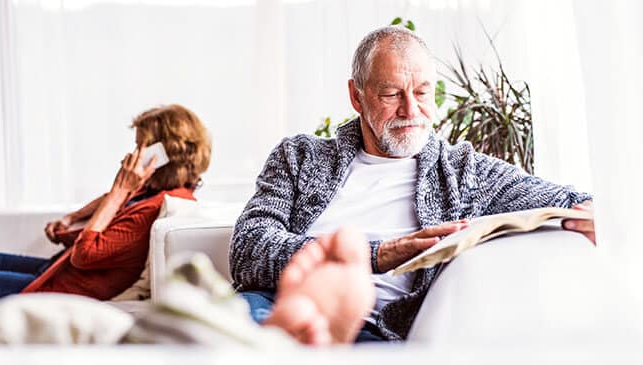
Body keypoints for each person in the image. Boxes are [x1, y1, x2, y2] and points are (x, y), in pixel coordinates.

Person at [230, 26, 596, 343]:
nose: (410, 110)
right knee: (238, 323)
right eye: (391, 94)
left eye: (422, 93)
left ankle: (320, 327)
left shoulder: (464, 171)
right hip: (271, 304)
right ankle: (305, 317)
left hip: (377, 330)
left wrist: (601, 216)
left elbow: (569, 201)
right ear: (356, 96)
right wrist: (376, 255)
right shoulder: (300, 156)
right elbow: (247, 249)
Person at [0, 104, 211, 302]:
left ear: (162, 154)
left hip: (63, 289)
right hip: (57, 271)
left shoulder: (155, 207)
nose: (133, 153)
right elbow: (111, 210)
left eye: (140, 147)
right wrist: (73, 219)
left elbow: (85, 254)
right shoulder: (150, 192)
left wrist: (120, 188)